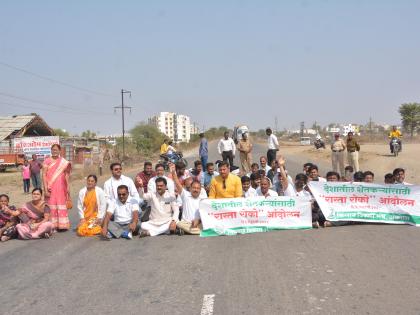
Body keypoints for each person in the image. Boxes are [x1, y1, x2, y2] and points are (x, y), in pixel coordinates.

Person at [169, 163, 205, 235]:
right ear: (190, 189)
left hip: (197, 222)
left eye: (198, 188)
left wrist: (198, 220)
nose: (196, 190)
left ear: (200, 190)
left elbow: (205, 214)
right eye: (194, 188)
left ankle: (186, 231)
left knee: (205, 225)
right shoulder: (185, 195)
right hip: (185, 223)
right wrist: (173, 172)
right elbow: (177, 183)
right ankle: (190, 230)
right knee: (178, 223)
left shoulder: (203, 199)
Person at [42, 144, 71, 231]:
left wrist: (68, 187)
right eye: (53, 150)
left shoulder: (63, 162)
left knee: (61, 203)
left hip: (61, 187)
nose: (54, 151)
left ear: (59, 151)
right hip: (50, 187)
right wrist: (45, 189)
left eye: (56, 150)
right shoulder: (46, 161)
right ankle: (52, 225)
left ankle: (62, 225)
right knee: (51, 204)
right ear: (51, 150)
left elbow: (66, 175)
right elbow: (43, 175)